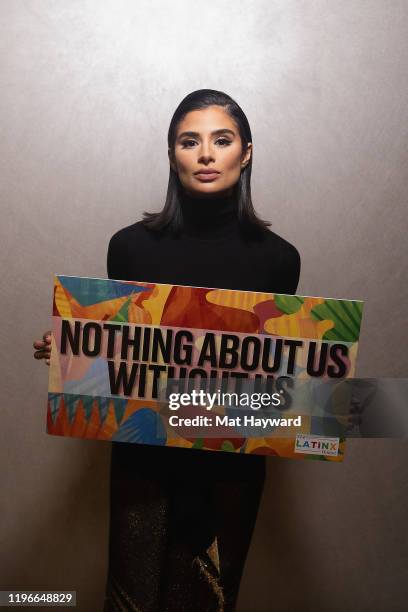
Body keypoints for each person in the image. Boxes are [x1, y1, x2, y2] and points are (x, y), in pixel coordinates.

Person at [33, 89, 300, 612]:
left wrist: (331, 393)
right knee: (133, 598)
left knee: (206, 600)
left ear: (245, 152)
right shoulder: (130, 247)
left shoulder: (279, 260)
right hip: (144, 461)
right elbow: (125, 362)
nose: (205, 154)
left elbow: (278, 383)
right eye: (189, 141)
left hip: (230, 468)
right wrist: (77, 353)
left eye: (221, 140)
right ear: (172, 152)